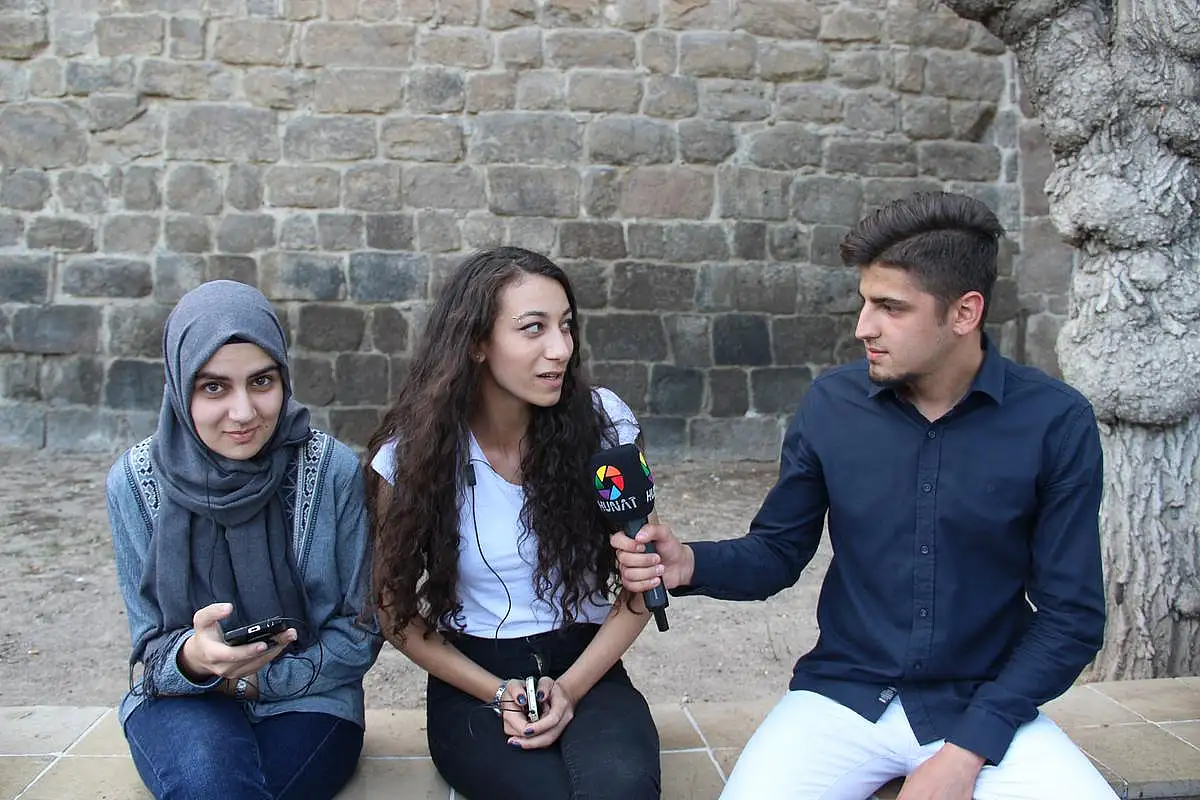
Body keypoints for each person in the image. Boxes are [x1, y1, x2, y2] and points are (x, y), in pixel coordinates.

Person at [613, 193, 1118, 799]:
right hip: (842, 699)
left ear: (964, 312)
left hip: (986, 704)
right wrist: (690, 563)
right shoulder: (832, 405)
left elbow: (1071, 618)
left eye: (890, 307)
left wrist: (966, 751)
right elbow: (778, 551)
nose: (863, 327)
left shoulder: (1055, 421)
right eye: (865, 301)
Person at [367, 247, 661, 800]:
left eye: (566, 326)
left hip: (586, 662)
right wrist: (500, 692)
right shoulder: (412, 458)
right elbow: (394, 613)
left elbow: (644, 583)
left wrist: (570, 688)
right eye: (533, 328)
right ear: (476, 342)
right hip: (474, 675)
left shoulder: (604, 427)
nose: (560, 348)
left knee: (621, 790)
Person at [107, 280, 382, 800]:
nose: (243, 412)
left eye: (261, 381)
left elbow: (361, 629)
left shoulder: (331, 471)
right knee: (209, 786)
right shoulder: (135, 482)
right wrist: (195, 659)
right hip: (184, 698)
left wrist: (257, 681)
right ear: (179, 384)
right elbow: (150, 641)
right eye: (214, 387)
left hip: (310, 697)